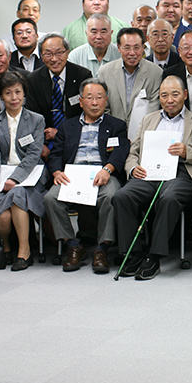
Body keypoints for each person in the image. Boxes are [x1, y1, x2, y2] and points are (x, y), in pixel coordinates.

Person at [113, 76, 192, 280]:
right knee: (122, 196)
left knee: (168, 198)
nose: (169, 99)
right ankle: (132, 254)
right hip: (149, 173)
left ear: (185, 95)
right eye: (164, 95)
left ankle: (154, 256)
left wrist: (188, 152)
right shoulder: (148, 120)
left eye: (175, 94)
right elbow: (133, 151)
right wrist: (133, 168)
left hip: (182, 173)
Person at [44, 79, 130, 274]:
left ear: (106, 101)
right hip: (73, 175)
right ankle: (73, 245)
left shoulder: (116, 125)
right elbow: (56, 153)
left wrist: (107, 169)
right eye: (89, 98)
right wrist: (57, 172)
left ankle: (102, 249)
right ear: (81, 101)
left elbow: (120, 150)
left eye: (99, 98)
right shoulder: (67, 126)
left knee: (112, 196)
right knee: (50, 198)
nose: (94, 102)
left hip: (103, 173)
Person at [0, 70, 47, 271]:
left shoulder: (36, 120)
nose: (14, 98)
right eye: (8, 93)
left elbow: (33, 155)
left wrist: (15, 178)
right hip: (2, 178)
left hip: (30, 177)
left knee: (19, 194)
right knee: (1, 217)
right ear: (1, 96)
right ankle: (7, 246)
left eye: (18, 92)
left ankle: (24, 251)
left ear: (24, 94)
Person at [25, 33, 92, 159]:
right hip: (46, 139)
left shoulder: (82, 75)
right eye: (48, 54)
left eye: (59, 53)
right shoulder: (33, 79)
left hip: (77, 136)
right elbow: (32, 116)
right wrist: (40, 144)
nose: (54, 59)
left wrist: (63, 133)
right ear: (41, 56)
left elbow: (88, 113)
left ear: (68, 53)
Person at [97, 28, 163, 131]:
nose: (132, 53)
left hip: (144, 132)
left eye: (136, 47)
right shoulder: (105, 72)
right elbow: (103, 108)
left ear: (143, 48)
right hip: (112, 133)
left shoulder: (155, 73)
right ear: (119, 48)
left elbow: (153, 109)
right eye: (127, 48)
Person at [62, 0, 127, 49]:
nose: (96, 2)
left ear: (108, 4)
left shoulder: (123, 27)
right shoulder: (69, 31)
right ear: (83, 4)